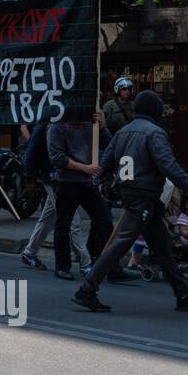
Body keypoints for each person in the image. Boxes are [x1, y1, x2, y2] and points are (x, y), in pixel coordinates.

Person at [74, 90, 188, 313]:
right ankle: (87, 289)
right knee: (122, 242)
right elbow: (168, 165)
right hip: (143, 196)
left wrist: (97, 181)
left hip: (133, 194)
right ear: (155, 109)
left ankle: (183, 293)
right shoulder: (155, 133)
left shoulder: (123, 132)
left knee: (162, 245)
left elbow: (106, 161)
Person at [48, 113, 123, 281]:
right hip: (67, 181)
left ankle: (110, 267)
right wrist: (84, 168)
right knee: (63, 224)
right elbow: (57, 157)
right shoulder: (57, 124)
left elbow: (110, 145)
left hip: (88, 182)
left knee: (104, 221)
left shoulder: (90, 122)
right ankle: (62, 266)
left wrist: (102, 125)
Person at [18, 120, 90, 271]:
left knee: (49, 217)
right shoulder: (46, 124)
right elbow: (31, 151)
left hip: (62, 178)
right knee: (72, 219)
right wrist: (30, 178)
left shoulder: (65, 123)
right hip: (53, 178)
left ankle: (29, 252)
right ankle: (86, 262)